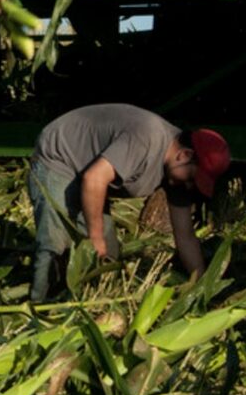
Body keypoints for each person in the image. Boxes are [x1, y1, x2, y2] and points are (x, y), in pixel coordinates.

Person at [28, 105, 230, 302]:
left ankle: (78, 304)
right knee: (55, 245)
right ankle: (40, 309)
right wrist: (95, 237)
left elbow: (185, 235)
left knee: (109, 256)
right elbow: (94, 178)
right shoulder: (146, 137)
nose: (189, 186)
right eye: (191, 179)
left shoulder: (178, 174)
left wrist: (202, 285)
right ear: (185, 155)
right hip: (60, 158)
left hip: (89, 174)